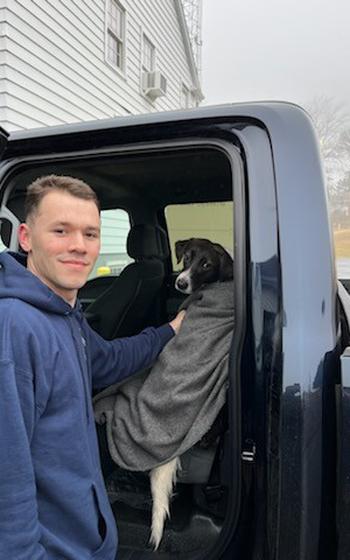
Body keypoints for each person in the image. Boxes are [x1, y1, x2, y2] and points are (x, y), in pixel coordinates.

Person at [0, 175, 185, 560]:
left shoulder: (65, 313)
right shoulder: (15, 329)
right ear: (26, 237)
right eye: (61, 230)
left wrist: (169, 331)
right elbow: (7, 483)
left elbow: (107, 361)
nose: (78, 247)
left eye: (90, 234)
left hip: (86, 538)